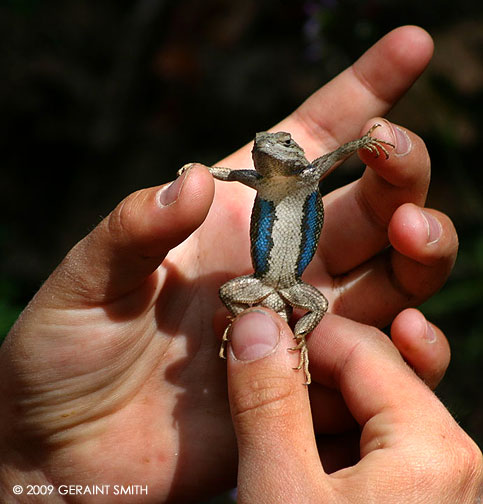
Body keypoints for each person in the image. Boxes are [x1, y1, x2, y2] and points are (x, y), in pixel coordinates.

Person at [0, 25, 481, 503]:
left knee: (314, 309)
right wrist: (199, 173)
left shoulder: (308, 172)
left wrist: (360, 146)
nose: (267, 147)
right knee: (231, 295)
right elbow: (224, 173)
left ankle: (297, 343)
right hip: (260, 284)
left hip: (292, 286)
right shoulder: (260, 177)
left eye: (282, 144)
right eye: (263, 144)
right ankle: (259, 337)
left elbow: (336, 152)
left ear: (293, 155)